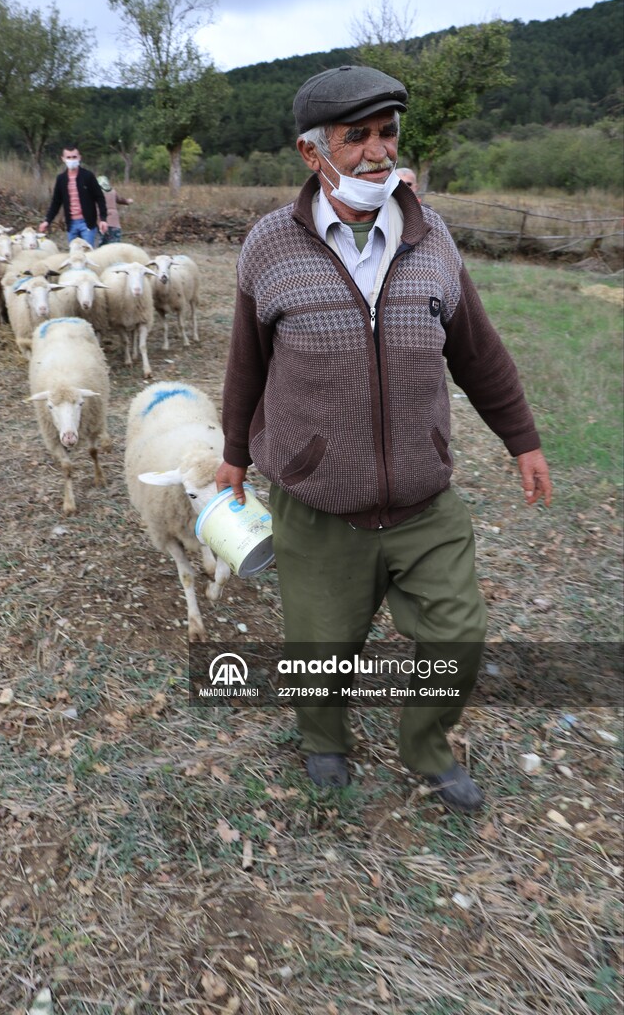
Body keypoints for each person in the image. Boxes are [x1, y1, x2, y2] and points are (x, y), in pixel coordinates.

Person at [216, 65, 552, 812]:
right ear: (312, 153)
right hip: (318, 500)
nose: (376, 151)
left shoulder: (431, 239)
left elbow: (476, 351)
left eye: (386, 133)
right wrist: (235, 455)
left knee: (457, 638)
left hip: (422, 497)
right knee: (319, 648)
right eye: (355, 136)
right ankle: (323, 739)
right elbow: (245, 364)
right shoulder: (270, 246)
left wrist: (520, 439)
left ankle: (427, 749)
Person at [39, 143, 108, 247]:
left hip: (87, 223)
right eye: (69, 157)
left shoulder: (88, 176)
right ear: (63, 159)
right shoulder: (61, 179)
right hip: (71, 224)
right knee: (74, 256)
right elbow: (56, 202)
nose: (72, 160)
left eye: (74, 157)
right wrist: (47, 221)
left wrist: (103, 219)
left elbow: (99, 197)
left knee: (87, 253)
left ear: (79, 157)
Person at [96, 175, 133, 245]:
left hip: (101, 222)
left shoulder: (96, 193)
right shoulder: (113, 192)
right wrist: (128, 201)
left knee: (101, 246)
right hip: (114, 222)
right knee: (115, 246)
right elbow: (120, 200)